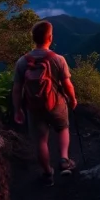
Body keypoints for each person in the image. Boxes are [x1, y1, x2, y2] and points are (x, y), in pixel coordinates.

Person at [13, 20, 79, 186]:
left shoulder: (22, 62)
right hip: (56, 104)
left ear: (33, 38)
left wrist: (17, 110)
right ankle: (64, 159)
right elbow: (67, 85)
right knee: (63, 128)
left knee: (41, 141)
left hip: (34, 108)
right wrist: (72, 100)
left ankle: (47, 173)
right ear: (50, 37)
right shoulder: (58, 60)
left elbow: (16, 89)